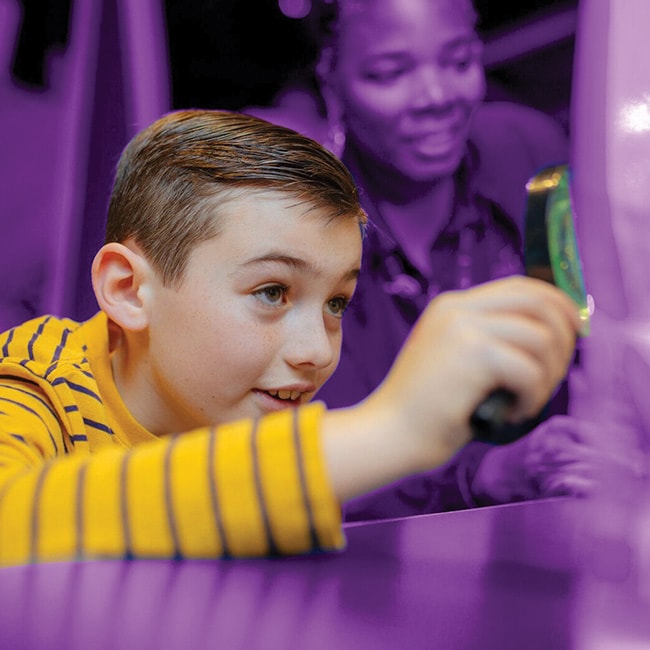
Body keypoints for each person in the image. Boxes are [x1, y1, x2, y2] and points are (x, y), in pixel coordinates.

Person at [0, 109, 581, 567]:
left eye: (335, 303)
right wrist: (393, 429)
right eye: (272, 292)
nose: (319, 352)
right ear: (128, 290)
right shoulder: (36, 381)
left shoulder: (245, 414)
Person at [245, 0, 602, 519]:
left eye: (458, 62)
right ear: (331, 75)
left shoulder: (526, 154)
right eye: (390, 74)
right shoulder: (292, 222)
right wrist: (484, 474)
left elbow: (592, 332)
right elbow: (300, 463)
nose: (436, 97)